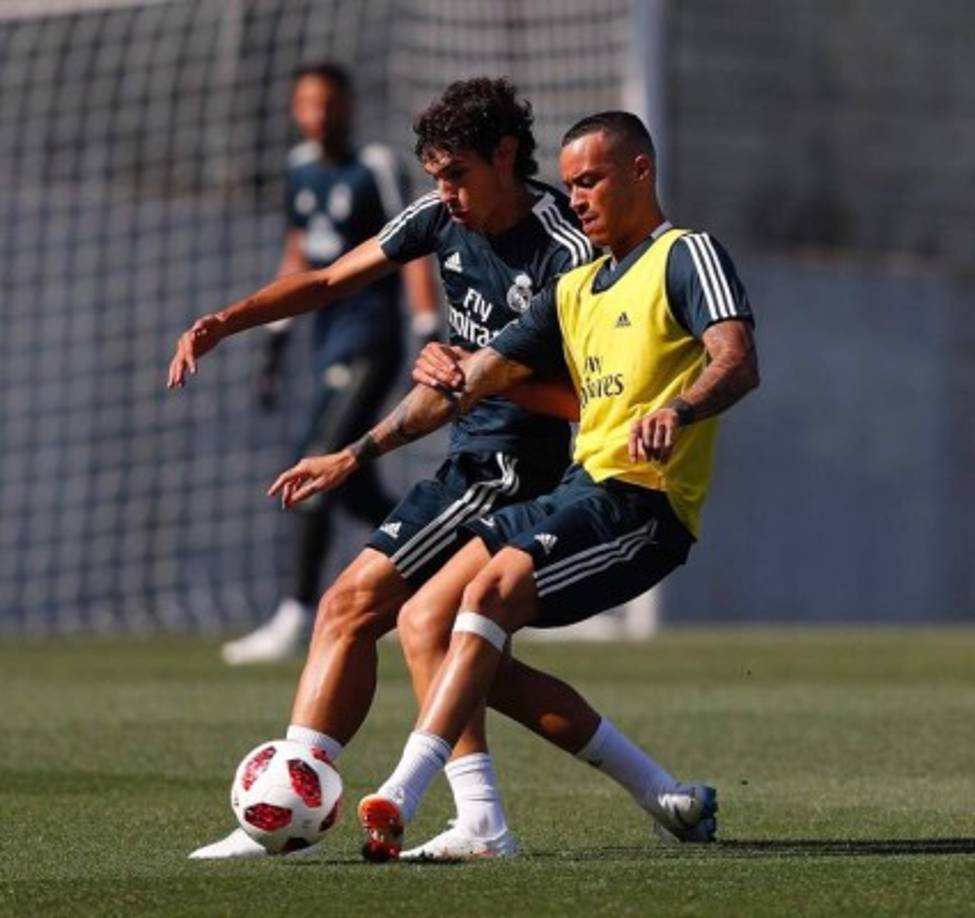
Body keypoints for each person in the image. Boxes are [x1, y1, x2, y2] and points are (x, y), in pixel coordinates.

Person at [268, 110, 759, 862]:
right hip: (577, 491)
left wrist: (679, 409)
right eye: (570, 185)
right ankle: (656, 798)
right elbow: (470, 381)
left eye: (591, 180)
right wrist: (354, 454)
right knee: (429, 624)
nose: (578, 198)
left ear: (640, 171)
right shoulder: (576, 288)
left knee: (488, 595)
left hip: (643, 506)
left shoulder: (686, 254)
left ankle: (404, 791)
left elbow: (736, 359)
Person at [222, 62, 441, 665]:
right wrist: (275, 336)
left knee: (317, 454)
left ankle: (296, 610)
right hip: (326, 337)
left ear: (347, 105)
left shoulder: (376, 166)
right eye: (307, 103)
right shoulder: (298, 169)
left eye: (328, 102)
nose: (318, 114)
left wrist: (427, 324)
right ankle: (444, 559)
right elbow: (298, 252)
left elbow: (414, 246)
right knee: (354, 484)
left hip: (371, 336)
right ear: (295, 110)